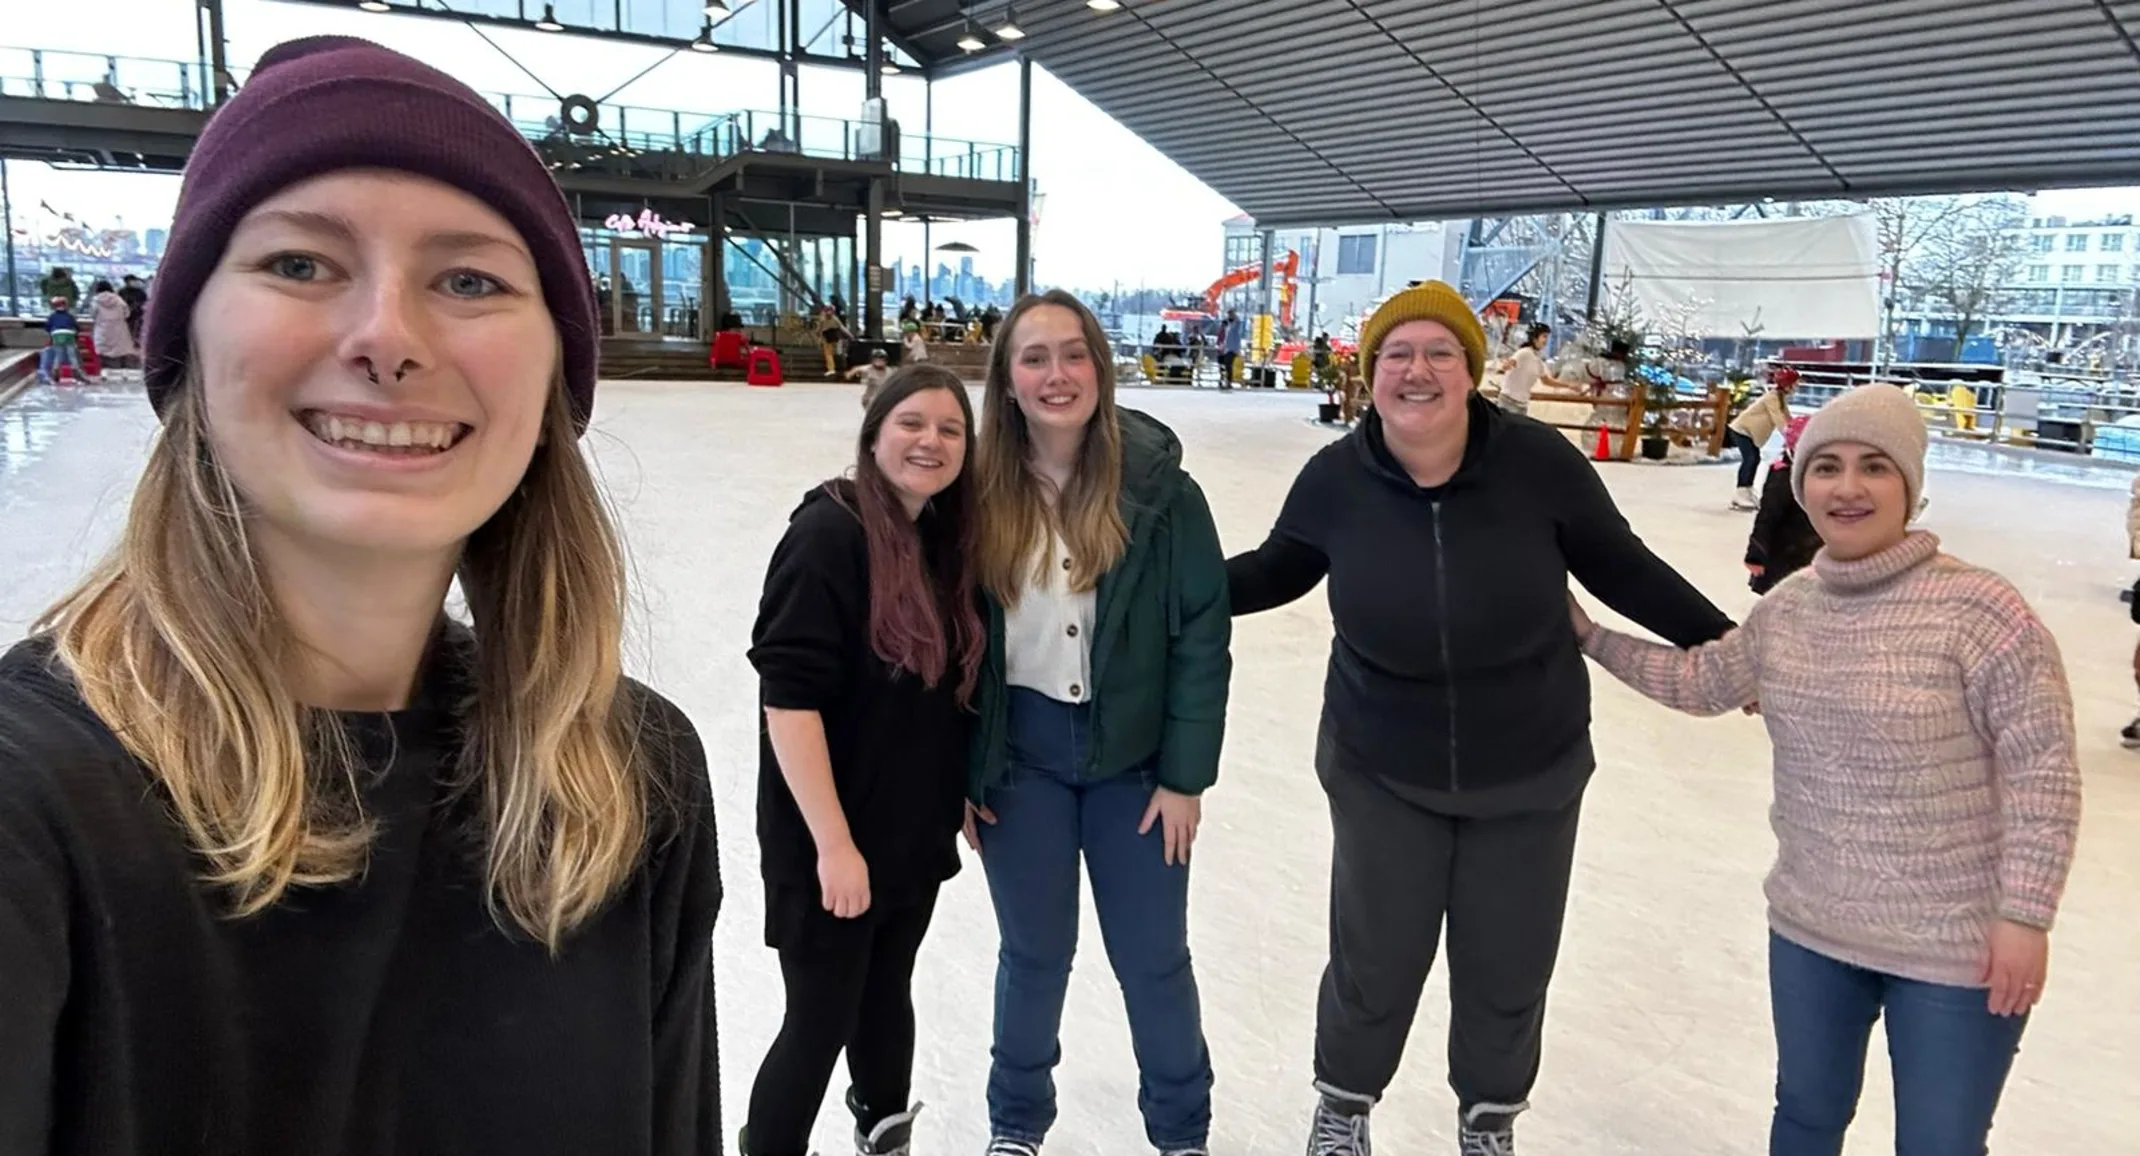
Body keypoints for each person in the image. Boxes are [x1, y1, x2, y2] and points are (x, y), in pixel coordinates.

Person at [0, 36, 723, 1155]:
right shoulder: (30, 808)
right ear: (188, 335)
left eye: (470, 279)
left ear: (549, 379)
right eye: (300, 263)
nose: (387, 337)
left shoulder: (629, 780)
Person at [1224, 281, 1733, 1156]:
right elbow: (1278, 571)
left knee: (1510, 956)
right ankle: (1344, 1106)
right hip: (1381, 757)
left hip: (1529, 759)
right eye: (1396, 354)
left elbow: (1622, 566)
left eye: (1439, 354)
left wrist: (1723, 642)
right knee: (1376, 952)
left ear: (1471, 371)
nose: (1416, 371)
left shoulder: (1539, 465)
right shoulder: (1337, 478)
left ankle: (1488, 1118)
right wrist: (1163, 591)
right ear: (1370, 372)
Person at [1572, 383, 2082, 1156]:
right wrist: (1588, 636)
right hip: (1814, 928)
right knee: (1806, 1117)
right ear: (1800, 481)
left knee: (1940, 1142)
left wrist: (2026, 916)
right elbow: (1706, 682)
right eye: (1827, 467)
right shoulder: (1790, 607)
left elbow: (2044, 771)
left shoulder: (1982, 611)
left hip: (1956, 946)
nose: (1847, 488)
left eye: (1874, 467)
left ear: (1909, 484)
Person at [965, 289, 1230, 1156]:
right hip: (1021, 764)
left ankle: (1181, 1132)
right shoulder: (975, 498)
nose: (1056, 374)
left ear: (1100, 368)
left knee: (1154, 960)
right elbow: (944, 651)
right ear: (1007, 379)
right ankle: (1016, 1125)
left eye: (1073, 354)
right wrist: (963, 773)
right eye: (1034, 357)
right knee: (1034, 958)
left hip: (1135, 767)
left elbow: (1199, 638)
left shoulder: (1161, 494)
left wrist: (1185, 774)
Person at [743, 364, 984, 1156]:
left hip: (908, 836)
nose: (932, 442)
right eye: (912, 423)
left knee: (886, 997)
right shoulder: (828, 535)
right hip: (829, 842)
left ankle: (884, 1135)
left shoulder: (940, 540)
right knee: (820, 1019)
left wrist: (962, 792)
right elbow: (789, 700)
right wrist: (833, 846)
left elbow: (939, 698)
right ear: (874, 433)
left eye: (951, 429)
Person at [1745, 415, 1819, 595]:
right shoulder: (1783, 477)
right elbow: (1767, 517)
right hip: (1784, 555)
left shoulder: (1816, 474)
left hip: (1810, 552)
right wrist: (1756, 554)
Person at [1729, 367, 1799, 511]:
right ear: (1788, 384)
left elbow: (1786, 416)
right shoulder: (1772, 398)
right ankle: (1740, 492)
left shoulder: (1779, 397)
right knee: (1751, 459)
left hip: (1748, 432)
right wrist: (1788, 435)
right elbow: (1778, 418)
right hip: (1742, 430)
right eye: (1795, 383)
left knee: (1755, 459)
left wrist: (1796, 430)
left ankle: (1747, 489)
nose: (1797, 387)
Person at [1493, 323, 1573, 417]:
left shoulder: (1538, 360)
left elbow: (1546, 381)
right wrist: (1506, 366)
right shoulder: (1524, 353)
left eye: (1547, 337)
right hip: (1508, 402)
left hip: (1522, 404)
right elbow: (1511, 362)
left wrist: (1568, 385)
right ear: (1535, 338)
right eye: (1544, 336)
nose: (1546, 340)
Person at [38, 296, 90, 384]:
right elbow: (76, 327)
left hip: (56, 335)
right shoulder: (69, 316)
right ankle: (75, 370)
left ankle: (55, 371)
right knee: (72, 354)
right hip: (69, 335)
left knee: (59, 355)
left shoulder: (52, 316)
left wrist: (52, 333)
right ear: (65, 305)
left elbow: (47, 327)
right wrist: (76, 335)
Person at [90, 279, 138, 369]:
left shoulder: (95, 301)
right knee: (119, 351)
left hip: (102, 329)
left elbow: (93, 314)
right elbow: (127, 314)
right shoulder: (119, 300)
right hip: (119, 329)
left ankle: (104, 371)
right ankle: (119, 370)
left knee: (103, 353)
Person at [821, 305, 852, 378]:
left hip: (832, 336)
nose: (828, 313)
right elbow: (842, 328)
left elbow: (842, 328)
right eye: (827, 311)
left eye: (830, 311)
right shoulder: (827, 319)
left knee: (830, 353)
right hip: (829, 336)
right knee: (829, 353)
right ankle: (832, 368)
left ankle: (833, 368)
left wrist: (850, 335)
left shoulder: (830, 319)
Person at [119, 273, 150, 344]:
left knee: (137, 330)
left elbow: (145, 302)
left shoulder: (140, 292)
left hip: (138, 315)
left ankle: (135, 341)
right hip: (125, 315)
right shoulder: (122, 291)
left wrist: (139, 306)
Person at [1216, 308, 1243, 389]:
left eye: (1231, 314)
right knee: (1223, 364)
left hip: (1233, 349)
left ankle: (1229, 382)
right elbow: (1223, 337)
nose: (1229, 316)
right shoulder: (1227, 326)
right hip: (1225, 348)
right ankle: (1223, 380)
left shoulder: (1236, 324)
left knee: (1228, 363)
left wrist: (1234, 315)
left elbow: (1238, 321)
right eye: (1229, 314)